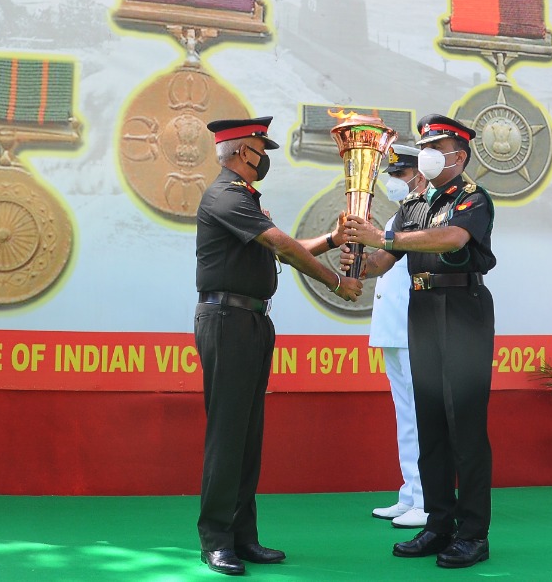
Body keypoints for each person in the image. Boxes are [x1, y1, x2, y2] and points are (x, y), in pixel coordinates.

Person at [194, 115, 363, 576]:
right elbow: (283, 247)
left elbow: (281, 247)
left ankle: (243, 537)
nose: (264, 157)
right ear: (239, 152)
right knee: (228, 434)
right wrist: (336, 282)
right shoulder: (225, 195)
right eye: (259, 149)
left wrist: (332, 239)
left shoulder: (244, 199)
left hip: (249, 320)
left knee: (248, 436)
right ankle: (216, 540)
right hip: (227, 320)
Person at [343, 114, 497, 569]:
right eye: (425, 146)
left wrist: (384, 235)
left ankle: (473, 534)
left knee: (464, 425)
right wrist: (356, 254)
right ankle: (438, 523)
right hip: (422, 308)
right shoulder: (414, 205)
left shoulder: (472, 198)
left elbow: (452, 239)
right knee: (429, 421)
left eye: (437, 147)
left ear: (459, 156)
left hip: (463, 309)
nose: (427, 154)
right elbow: (383, 260)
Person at [367, 144, 428, 530]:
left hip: (414, 325)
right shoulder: (399, 215)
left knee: (420, 416)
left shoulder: (426, 214)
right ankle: (410, 493)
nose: (393, 182)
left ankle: (426, 499)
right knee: (405, 415)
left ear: (419, 175)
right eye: (390, 175)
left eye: (400, 175)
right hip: (393, 326)